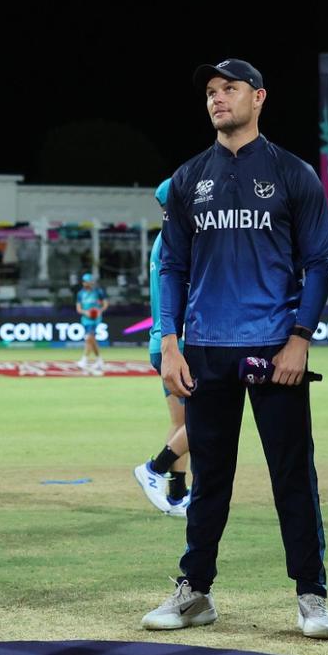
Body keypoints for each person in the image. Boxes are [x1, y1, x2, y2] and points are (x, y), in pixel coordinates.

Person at [147, 58, 328, 640]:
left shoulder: (293, 173)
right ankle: (195, 592)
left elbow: (320, 263)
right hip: (204, 350)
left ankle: (312, 596)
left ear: (258, 97)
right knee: (210, 482)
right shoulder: (188, 178)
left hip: (273, 351)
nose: (217, 98)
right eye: (210, 90)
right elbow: (172, 266)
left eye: (229, 89)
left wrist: (299, 340)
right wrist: (171, 343)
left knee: (291, 477)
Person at [133, 178, 190, 517]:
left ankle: (176, 494)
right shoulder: (181, 240)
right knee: (208, 419)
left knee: (181, 422)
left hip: (163, 342)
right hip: (180, 342)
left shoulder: (163, 239)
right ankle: (154, 468)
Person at [75, 272, 109, 373]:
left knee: (89, 338)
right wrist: (86, 312)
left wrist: (100, 311)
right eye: (84, 282)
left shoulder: (98, 292)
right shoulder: (80, 294)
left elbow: (105, 303)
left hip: (95, 319)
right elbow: (78, 308)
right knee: (92, 340)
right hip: (86, 319)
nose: (86, 284)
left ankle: (84, 360)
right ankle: (99, 361)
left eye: (88, 282)